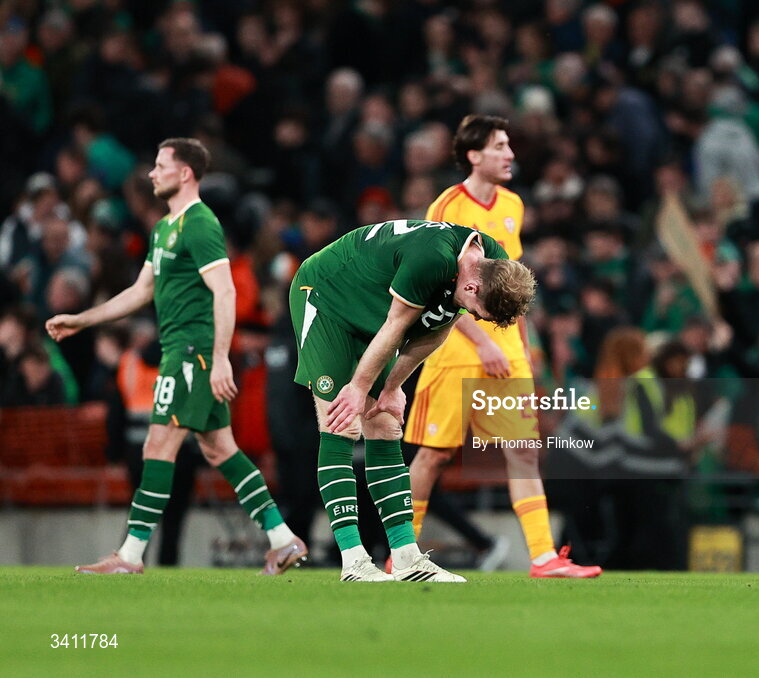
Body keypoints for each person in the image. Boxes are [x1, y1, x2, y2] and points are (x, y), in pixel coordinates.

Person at [46, 138, 307, 575]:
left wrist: (220, 357)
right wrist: (83, 320)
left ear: (185, 173)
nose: (152, 172)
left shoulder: (200, 224)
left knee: (158, 444)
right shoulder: (165, 228)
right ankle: (284, 540)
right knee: (221, 449)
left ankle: (130, 555)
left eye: (160, 165)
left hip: (193, 352)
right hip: (181, 351)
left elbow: (224, 290)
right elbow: (140, 291)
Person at [403, 114, 601, 578]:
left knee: (523, 449)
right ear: (474, 155)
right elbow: (439, 285)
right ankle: (402, 552)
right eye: (499, 146)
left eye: (509, 145)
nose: (509, 154)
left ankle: (543, 557)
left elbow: (514, 283)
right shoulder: (447, 205)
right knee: (432, 455)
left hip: (506, 346)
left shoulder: (513, 204)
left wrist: (525, 349)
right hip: (453, 345)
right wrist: (480, 341)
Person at [289, 216, 535, 582]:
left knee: (386, 424)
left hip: (374, 311)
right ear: (470, 287)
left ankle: (406, 557)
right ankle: (353, 561)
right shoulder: (431, 259)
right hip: (328, 298)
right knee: (340, 421)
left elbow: (438, 328)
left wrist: (392, 388)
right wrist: (358, 388)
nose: (476, 320)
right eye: (479, 314)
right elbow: (396, 326)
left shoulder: (492, 263)